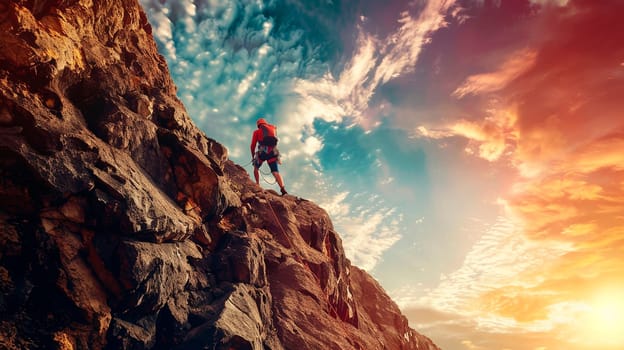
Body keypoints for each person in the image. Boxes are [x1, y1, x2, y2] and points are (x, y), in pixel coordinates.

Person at [251, 118, 287, 195]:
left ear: (258, 125)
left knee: (256, 168)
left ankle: (257, 184)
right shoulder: (273, 129)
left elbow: (252, 145)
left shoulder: (257, 132)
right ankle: (283, 189)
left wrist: (253, 155)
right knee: (275, 172)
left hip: (263, 153)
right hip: (273, 152)